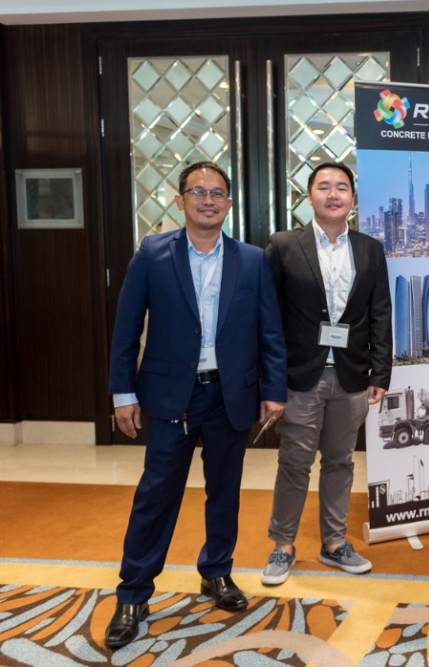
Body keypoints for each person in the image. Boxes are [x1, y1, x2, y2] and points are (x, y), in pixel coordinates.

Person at [106, 161, 287, 648]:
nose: (209, 200)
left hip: (230, 394)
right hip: (170, 395)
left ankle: (217, 571)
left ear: (229, 202)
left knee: (224, 491)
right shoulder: (152, 253)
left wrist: (274, 390)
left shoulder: (252, 259)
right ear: (180, 199)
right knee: (156, 494)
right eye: (198, 191)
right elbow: (126, 330)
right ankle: (133, 592)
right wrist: (123, 393)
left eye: (217, 193)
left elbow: (270, 332)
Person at [261, 162, 392, 585]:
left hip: (352, 376)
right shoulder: (283, 246)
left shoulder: (370, 249)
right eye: (323, 187)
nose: (333, 194)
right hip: (300, 376)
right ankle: (283, 545)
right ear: (309, 196)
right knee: (294, 462)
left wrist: (381, 373)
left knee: (340, 462)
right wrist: (270, 380)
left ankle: (334, 544)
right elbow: (267, 317)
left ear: (352, 198)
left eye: (341, 187)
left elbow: (380, 313)